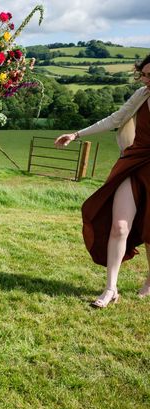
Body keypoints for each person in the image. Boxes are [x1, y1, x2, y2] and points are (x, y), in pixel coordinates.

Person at [55, 53, 150, 308]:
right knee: (119, 227)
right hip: (132, 163)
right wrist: (76, 134)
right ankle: (111, 289)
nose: (147, 80)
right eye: (144, 75)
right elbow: (115, 119)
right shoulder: (141, 95)